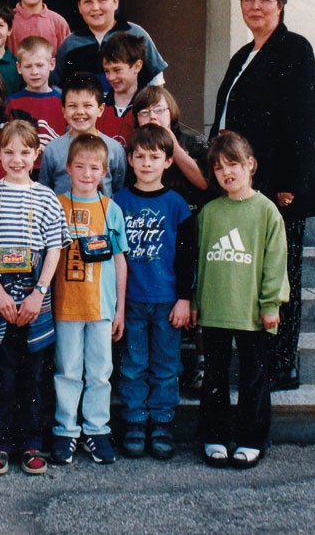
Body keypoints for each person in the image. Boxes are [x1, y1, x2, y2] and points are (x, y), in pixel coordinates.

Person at [209, 0, 315, 392]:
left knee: (281, 272)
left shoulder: (294, 48)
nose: (255, 7)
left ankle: (284, 363)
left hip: (280, 186)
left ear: (280, 4)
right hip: (244, 182)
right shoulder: (244, 54)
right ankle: (263, 359)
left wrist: (288, 181)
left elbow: (301, 118)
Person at [0, 120, 70, 476]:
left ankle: (31, 442)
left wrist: (38, 293)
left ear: (36, 154)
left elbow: (55, 247)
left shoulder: (45, 197)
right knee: (0, 373)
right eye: (8, 151)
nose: (16, 158)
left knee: (33, 375)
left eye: (25, 152)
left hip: (33, 301)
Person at [194, 131, 289, 469]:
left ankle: (251, 439)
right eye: (218, 167)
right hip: (216, 308)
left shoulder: (266, 212)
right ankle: (215, 436)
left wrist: (270, 303)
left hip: (251, 310)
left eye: (233, 164)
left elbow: (275, 262)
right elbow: (201, 261)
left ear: (250, 164)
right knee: (215, 378)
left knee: (253, 378)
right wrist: (196, 302)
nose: (226, 172)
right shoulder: (210, 213)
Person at [112, 124, 197, 461]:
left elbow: (188, 255)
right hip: (131, 299)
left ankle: (161, 423)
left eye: (154, 157)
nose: (147, 163)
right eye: (140, 156)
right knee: (133, 364)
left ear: (168, 161)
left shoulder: (177, 204)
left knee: (165, 364)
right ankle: (134, 422)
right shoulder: (118, 200)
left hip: (166, 301)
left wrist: (184, 298)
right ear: (130, 160)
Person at [48, 135, 127, 467]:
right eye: (79, 166)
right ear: (68, 168)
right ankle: (66, 431)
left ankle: (97, 430)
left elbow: (120, 261)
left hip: (101, 307)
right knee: (67, 369)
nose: (86, 173)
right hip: (65, 305)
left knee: (99, 372)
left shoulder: (111, 209)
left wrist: (120, 308)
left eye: (94, 168)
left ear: (104, 171)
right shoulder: (56, 204)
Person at [54, 0, 166, 89]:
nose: (95, 8)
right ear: (79, 7)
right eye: (88, 2)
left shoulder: (136, 34)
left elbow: (156, 80)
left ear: (116, 2)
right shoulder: (70, 43)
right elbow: (55, 84)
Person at [38, 72, 127, 196]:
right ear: (63, 110)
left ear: (100, 109)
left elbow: (119, 190)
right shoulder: (53, 149)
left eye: (87, 105)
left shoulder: (114, 149)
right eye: (72, 106)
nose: (80, 112)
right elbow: (45, 191)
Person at [6, 35, 67, 161]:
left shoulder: (63, 101)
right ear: (19, 68)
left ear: (51, 64)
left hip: (57, 164)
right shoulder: (12, 102)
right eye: (28, 66)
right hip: (23, 166)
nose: (34, 72)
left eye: (40, 65)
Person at [97, 33, 146, 147]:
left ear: (137, 66)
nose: (111, 77)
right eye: (107, 71)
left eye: (117, 70)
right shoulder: (98, 102)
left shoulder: (149, 106)